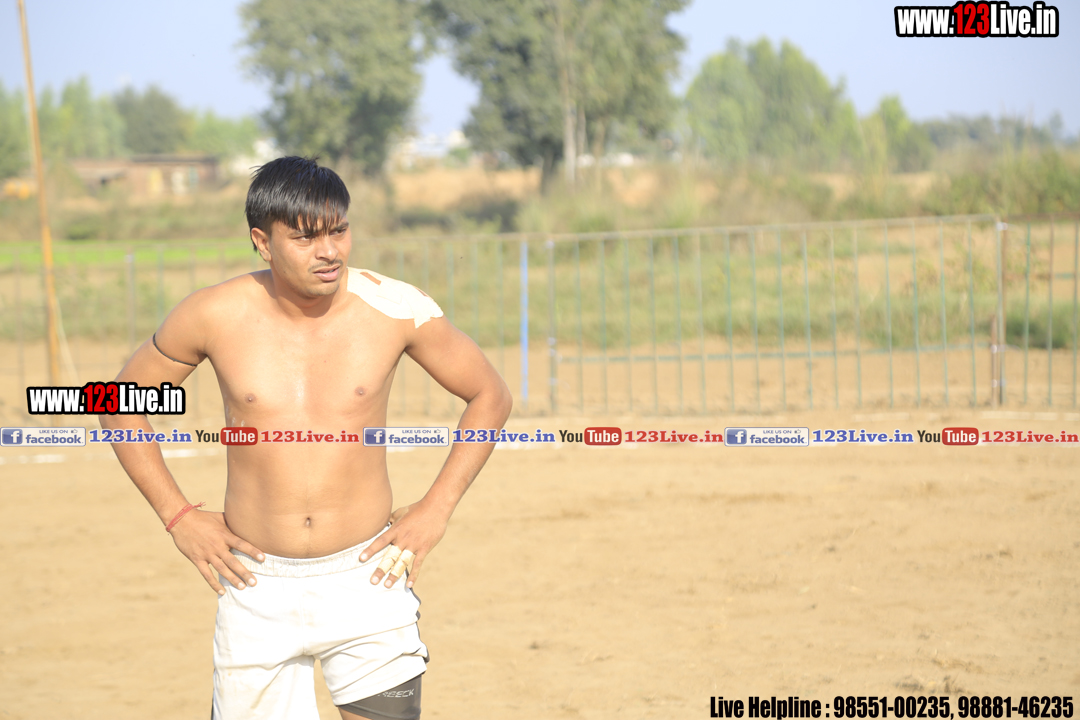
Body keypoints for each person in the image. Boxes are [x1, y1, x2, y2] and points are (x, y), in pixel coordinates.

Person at [100, 156, 513, 720]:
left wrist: (437, 509)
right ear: (262, 243)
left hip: (369, 575)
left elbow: (490, 394)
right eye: (305, 238)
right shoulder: (212, 314)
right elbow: (115, 403)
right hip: (254, 583)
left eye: (338, 231)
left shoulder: (395, 309)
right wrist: (178, 517)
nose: (329, 251)